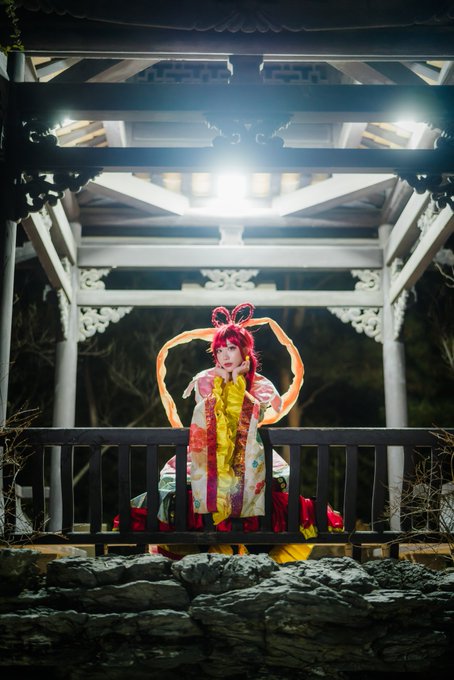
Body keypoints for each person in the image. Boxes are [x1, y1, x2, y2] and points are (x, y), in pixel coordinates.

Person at [115, 303, 343, 561]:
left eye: (232, 348)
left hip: (249, 451)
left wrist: (236, 380)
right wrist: (226, 380)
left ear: (244, 350)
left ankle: (261, 562)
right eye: (220, 350)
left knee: (272, 492)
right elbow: (211, 416)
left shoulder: (260, 385)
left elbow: (249, 415)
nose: (225, 355)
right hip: (209, 450)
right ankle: (211, 558)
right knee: (185, 489)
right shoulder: (205, 380)